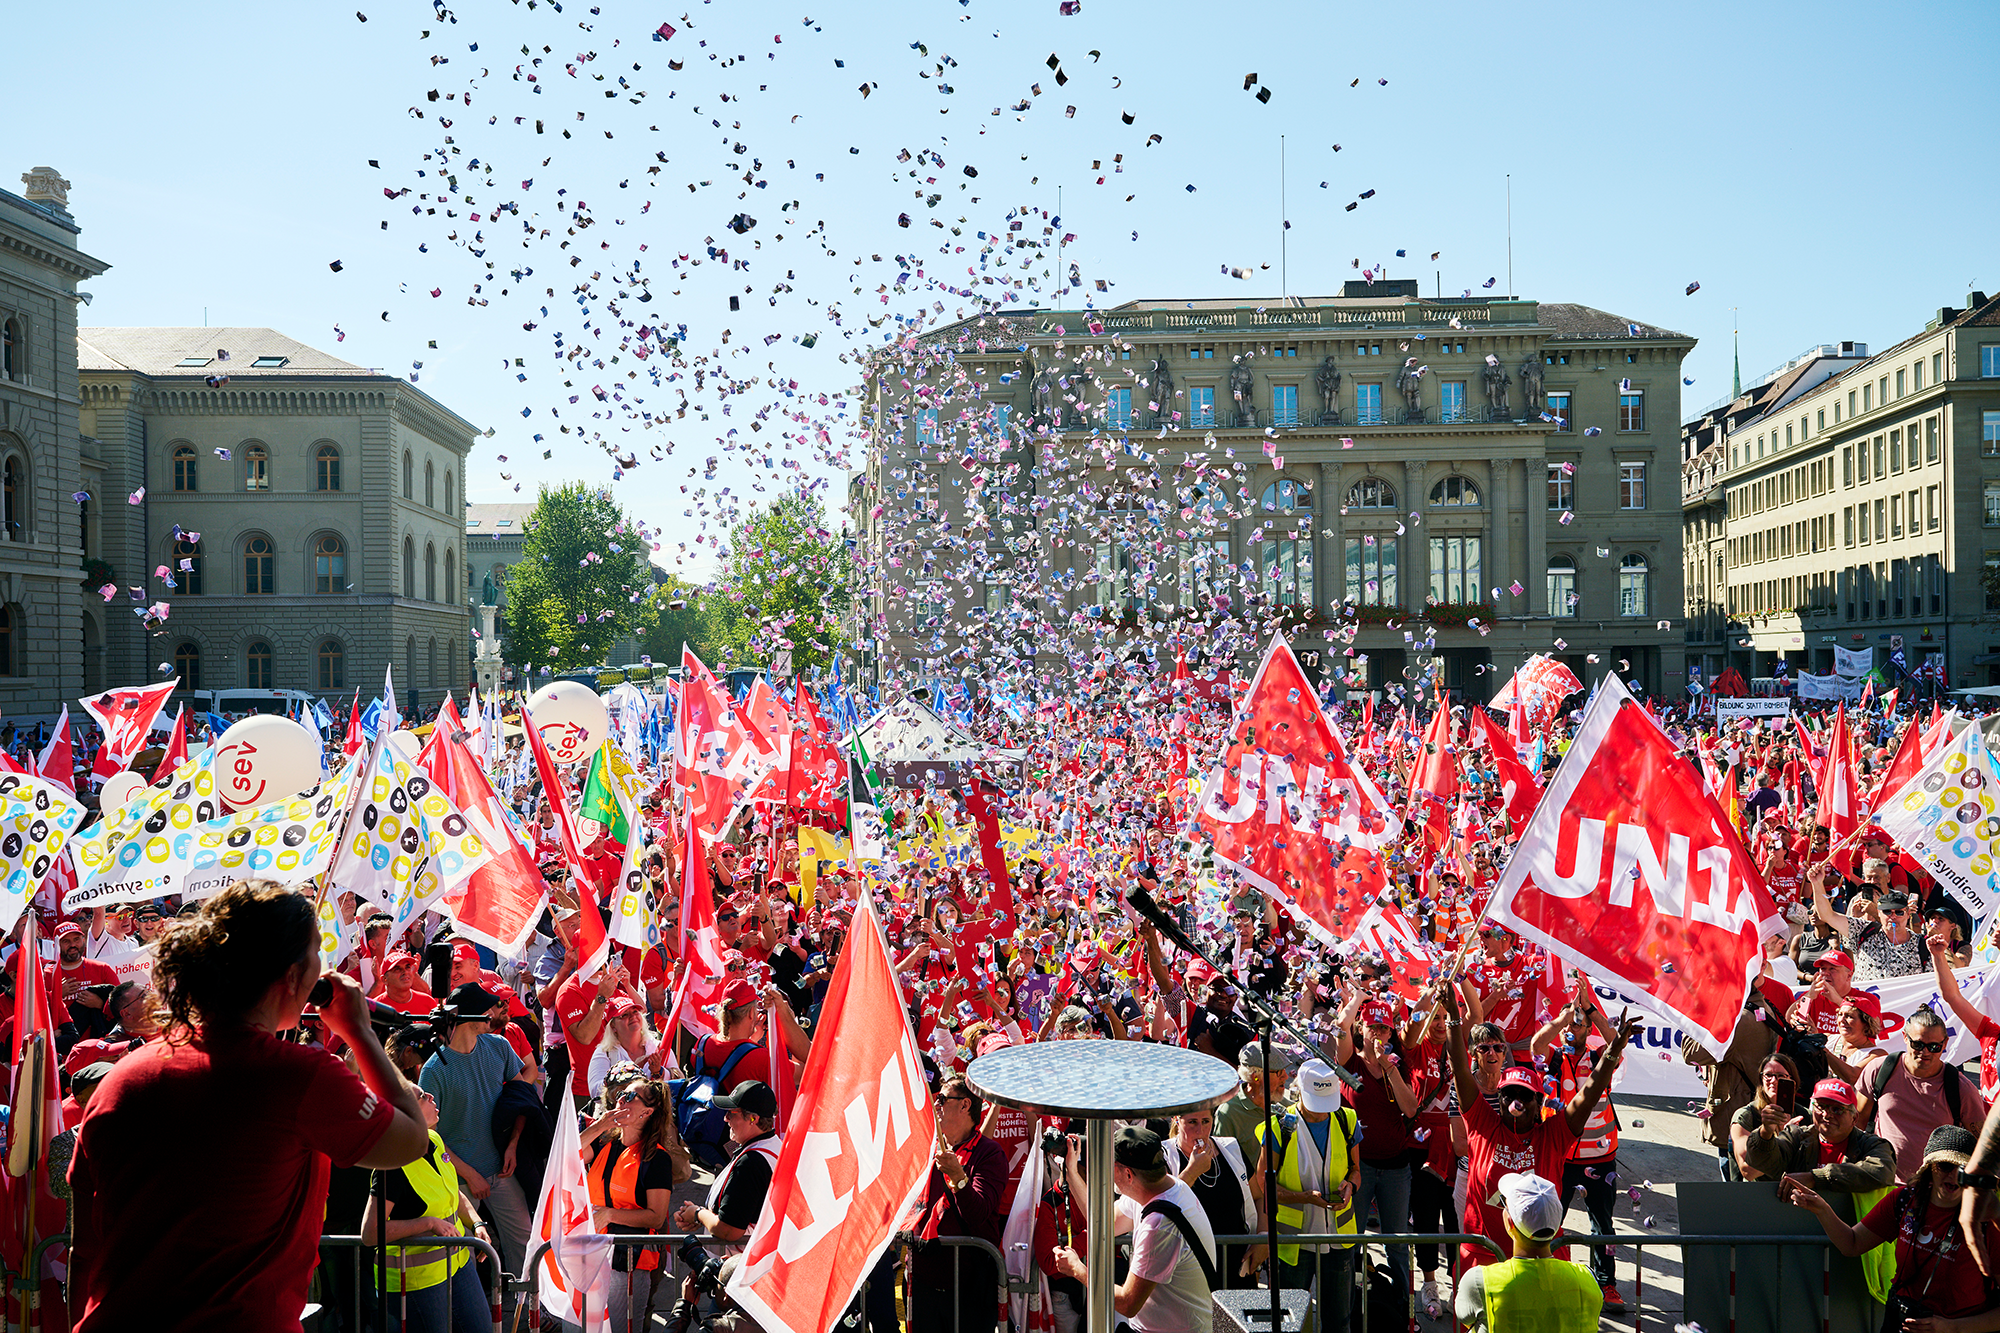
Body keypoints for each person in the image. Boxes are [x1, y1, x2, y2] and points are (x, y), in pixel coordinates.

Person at [67, 880, 427, 1332]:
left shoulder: (118, 1081)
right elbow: (411, 1139)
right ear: (293, 975)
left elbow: (83, 1253)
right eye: (318, 953)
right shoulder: (299, 1076)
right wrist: (361, 1032)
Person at [1442, 984, 1638, 1269]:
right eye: (1509, 1093)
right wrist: (1452, 1018)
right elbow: (1460, 1068)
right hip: (1485, 1255)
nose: (1516, 1101)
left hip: (1540, 1259)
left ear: (1538, 1102)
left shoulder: (1553, 1135)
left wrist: (1612, 1052)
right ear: (1499, 1097)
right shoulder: (1483, 1125)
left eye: (1525, 1095)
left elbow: (1589, 1094)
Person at [1790, 1125, 2000, 1326]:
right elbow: (1851, 1244)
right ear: (1929, 1168)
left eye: (1961, 1168)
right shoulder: (1904, 1200)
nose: (1953, 1175)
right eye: (1945, 1166)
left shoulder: (1987, 1220)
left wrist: (1950, 1328)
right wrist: (1821, 1209)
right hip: (1900, 1322)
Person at [418, 982, 534, 1286]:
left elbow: (523, 1100)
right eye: (487, 1008)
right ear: (469, 1016)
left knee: (526, 1244)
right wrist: (470, 1175)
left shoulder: (500, 1046)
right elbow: (430, 1138)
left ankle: (533, 1313)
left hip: (503, 1172)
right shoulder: (433, 1070)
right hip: (459, 1184)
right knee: (463, 1259)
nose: (494, 1012)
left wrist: (513, 1144)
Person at [361, 1075, 491, 1333]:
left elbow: (452, 1193)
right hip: (417, 1284)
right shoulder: (391, 1165)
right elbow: (370, 1233)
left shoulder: (434, 1140)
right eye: (423, 1097)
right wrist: (429, 1223)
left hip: (458, 1265)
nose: (431, 1097)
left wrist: (476, 1223)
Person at [1055, 1127, 1218, 1333]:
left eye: (1112, 1166)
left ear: (1128, 1174)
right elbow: (1102, 1221)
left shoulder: (1159, 1225)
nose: (1109, 1172)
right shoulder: (1165, 1187)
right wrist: (1071, 1169)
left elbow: (1127, 1303)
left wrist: (1078, 1270)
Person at [1253, 1058, 1360, 1332]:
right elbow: (1265, 1186)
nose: (1322, 1113)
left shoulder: (1347, 1119)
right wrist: (1304, 1197)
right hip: (1294, 1247)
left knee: (1340, 1322)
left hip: (1340, 1242)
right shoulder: (1277, 1126)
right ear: (1298, 1089)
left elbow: (1356, 1171)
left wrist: (1351, 1186)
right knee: (1289, 1323)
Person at [581, 1076, 691, 1333]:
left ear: (647, 1112)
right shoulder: (605, 1141)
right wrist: (599, 1126)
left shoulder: (656, 1157)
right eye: (620, 1093)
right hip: (592, 1254)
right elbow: (565, 1155)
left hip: (629, 1262)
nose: (620, 1098)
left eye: (630, 1096)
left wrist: (609, 1214)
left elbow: (655, 1217)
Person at [1332, 998, 1419, 1300]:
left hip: (1396, 1167)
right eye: (1373, 1028)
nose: (1379, 1035)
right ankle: (1351, 1301)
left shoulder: (1398, 1067)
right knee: (1352, 1239)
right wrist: (1355, 999)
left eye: (1385, 1029)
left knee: (1396, 1242)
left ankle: (1403, 1307)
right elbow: (1340, 1028)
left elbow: (1410, 1110)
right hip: (1359, 1167)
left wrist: (1389, 1070)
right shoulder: (1350, 1063)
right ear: (1362, 1029)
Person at [911, 1074, 1010, 1333]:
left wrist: (959, 1177)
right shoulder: (925, 1149)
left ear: (965, 1105)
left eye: (943, 1099)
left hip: (969, 1287)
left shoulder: (989, 1154)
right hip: (924, 1281)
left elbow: (978, 1214)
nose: (936, 1105)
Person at [1453, 1172, 1603, 1331]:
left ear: (1510, 1222)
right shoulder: (1588, 1277)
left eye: (1504, 1203)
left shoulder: (1479, 1281)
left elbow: (1465, 1318)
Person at [1855, 1006, 1984, 1182]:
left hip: (1933, 1189)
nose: (1925, 1052)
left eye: (1934, 1047)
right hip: (1880, 1181)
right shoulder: (1880, 1069)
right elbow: (1858, 1123)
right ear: (1905, 1038)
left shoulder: (1960, 1087)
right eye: (1918, 1045)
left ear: (1945, 1044)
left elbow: (1981, 1144)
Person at [1739, 1077, 1896, 1196]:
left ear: (1854, 1118)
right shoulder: (1796, 1136)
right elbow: (1762, 1163)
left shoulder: (1872, 1145)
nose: (1827, 1115)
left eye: (1837, 1109)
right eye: (1821, 1107)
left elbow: (1882, 1172)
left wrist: (1815, 1178)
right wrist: (1765, 1131)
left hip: (1850, 1229)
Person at [1162, 1104, 1257, 1287]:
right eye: (1192, 1122)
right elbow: (1163, 1204)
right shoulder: (1164, 1156)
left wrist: (1262, 1237)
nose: (1200, 1130)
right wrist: (1191, 1172)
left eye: (1206, 1121)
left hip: (1236, 1263)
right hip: (1190, 1266)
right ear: (1176, 1120)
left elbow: (1259, 1197)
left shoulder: (1231, 1149)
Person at [1211, 1041, 1288, 1171]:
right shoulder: (1229, 1114)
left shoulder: (1285, 1104)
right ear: (1256, 1077)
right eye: (1278, 1072)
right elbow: (1222, 1165)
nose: (1285, 1077)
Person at [1730, 1055, 1803, 1181]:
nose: (1773, 1080)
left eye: (1781, 1076)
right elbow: (1748, 1171)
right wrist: (1786, 1137)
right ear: (1761, 1080)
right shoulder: (1746, 1116)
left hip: (1794, 1194)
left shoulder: (1804, 1115)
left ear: (1793, 1081)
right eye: (1768, 1075)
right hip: (1757, 1194)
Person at [588, 996, 665, 1098]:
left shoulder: (656, 1046)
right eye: (624, 1015)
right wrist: (627, 1073)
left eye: (635, 1012)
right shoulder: (605, 1052)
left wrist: (658, 1071)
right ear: (613, 1026)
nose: (632, 1016)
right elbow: (596, 1092)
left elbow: (677, 1081)